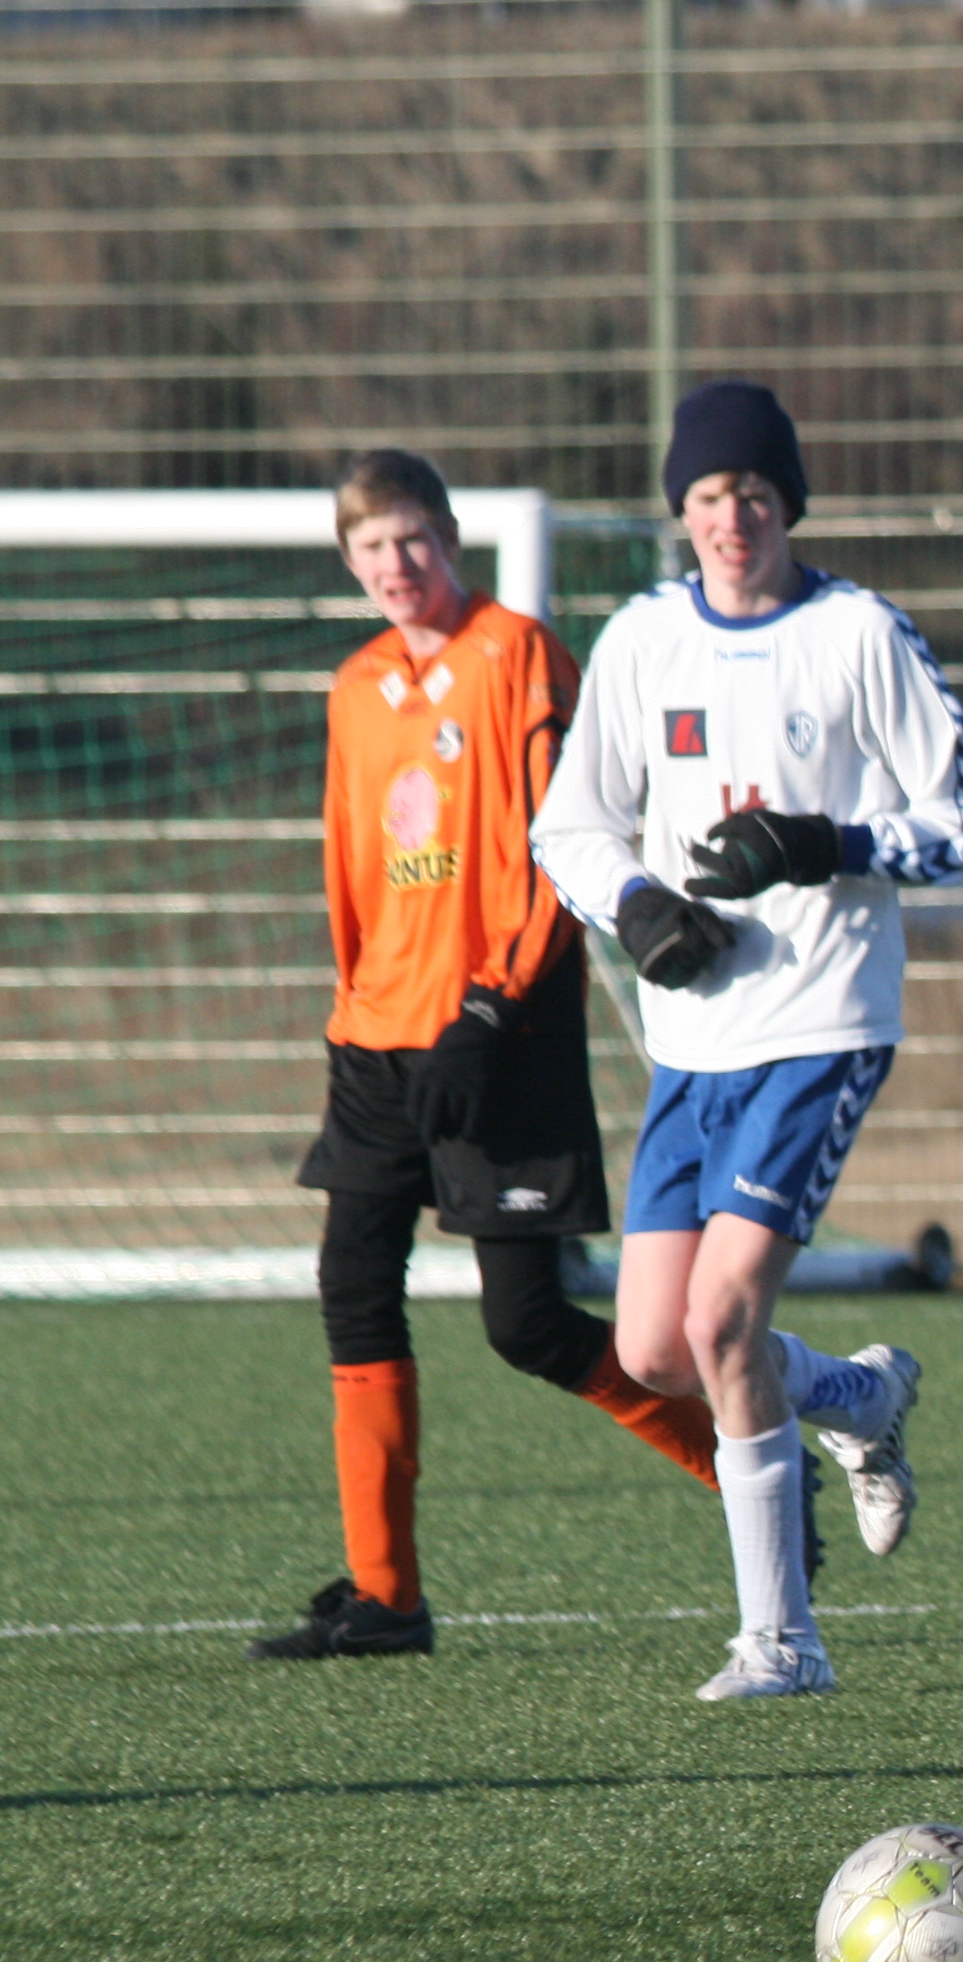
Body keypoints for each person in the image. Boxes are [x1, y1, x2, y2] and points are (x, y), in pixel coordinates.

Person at [532, 380, 963, 1700]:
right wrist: (636, 906)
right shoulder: (642, 640)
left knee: (725, 1316)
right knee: (656, 1351)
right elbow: (569, 827)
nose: (731, 518)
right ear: (680, 513)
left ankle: (783, 1644)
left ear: (789, 502)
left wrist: (826, 842)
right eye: (706, 496)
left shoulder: (858, 635)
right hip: (692, 1040)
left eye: (752, 493)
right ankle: (857, 1399)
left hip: (820, 1023)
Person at [253, 450, 729, 1662]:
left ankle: (748, 1472)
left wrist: (488, 1004)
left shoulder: (517, 653)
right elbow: (351, 860)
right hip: (378, 1041)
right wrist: (356, 1001)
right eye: (372, 549)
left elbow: (560, 844)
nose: (396, 566)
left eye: (413, 540)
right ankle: (387, 1599)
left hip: (495, 1034)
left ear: (451, 540)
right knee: (353, 1285)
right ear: (349, 562)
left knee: (525, 1323)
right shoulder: (357, 685)